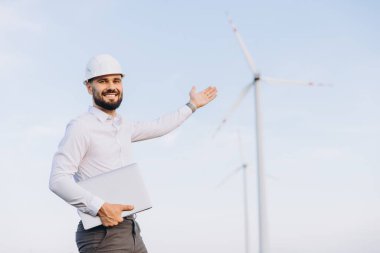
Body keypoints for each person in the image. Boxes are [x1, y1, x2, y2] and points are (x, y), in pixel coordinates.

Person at [49, 54, 217, 253]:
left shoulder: (123, 126)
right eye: (103, 81)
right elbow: (58, 180)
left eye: (116, 81)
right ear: (89, 87)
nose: (111, 86)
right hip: (102, 234)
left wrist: (192, 106)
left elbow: (160, 126)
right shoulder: (81, 127)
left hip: (131, 229)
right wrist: (99, 206)